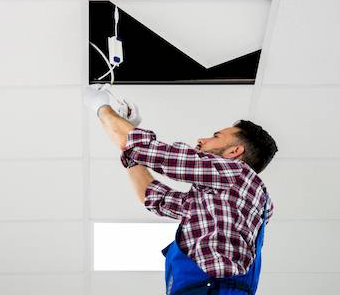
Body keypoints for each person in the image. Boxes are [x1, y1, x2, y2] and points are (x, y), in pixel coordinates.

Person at [83, 85, 278, 295]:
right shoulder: (222, 200)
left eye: (215, 136)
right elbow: (154, 197)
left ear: (234, 151)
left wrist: (102, 108)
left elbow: (150, 151)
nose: (201, 140)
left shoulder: (235, 172)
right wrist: (128, 139)